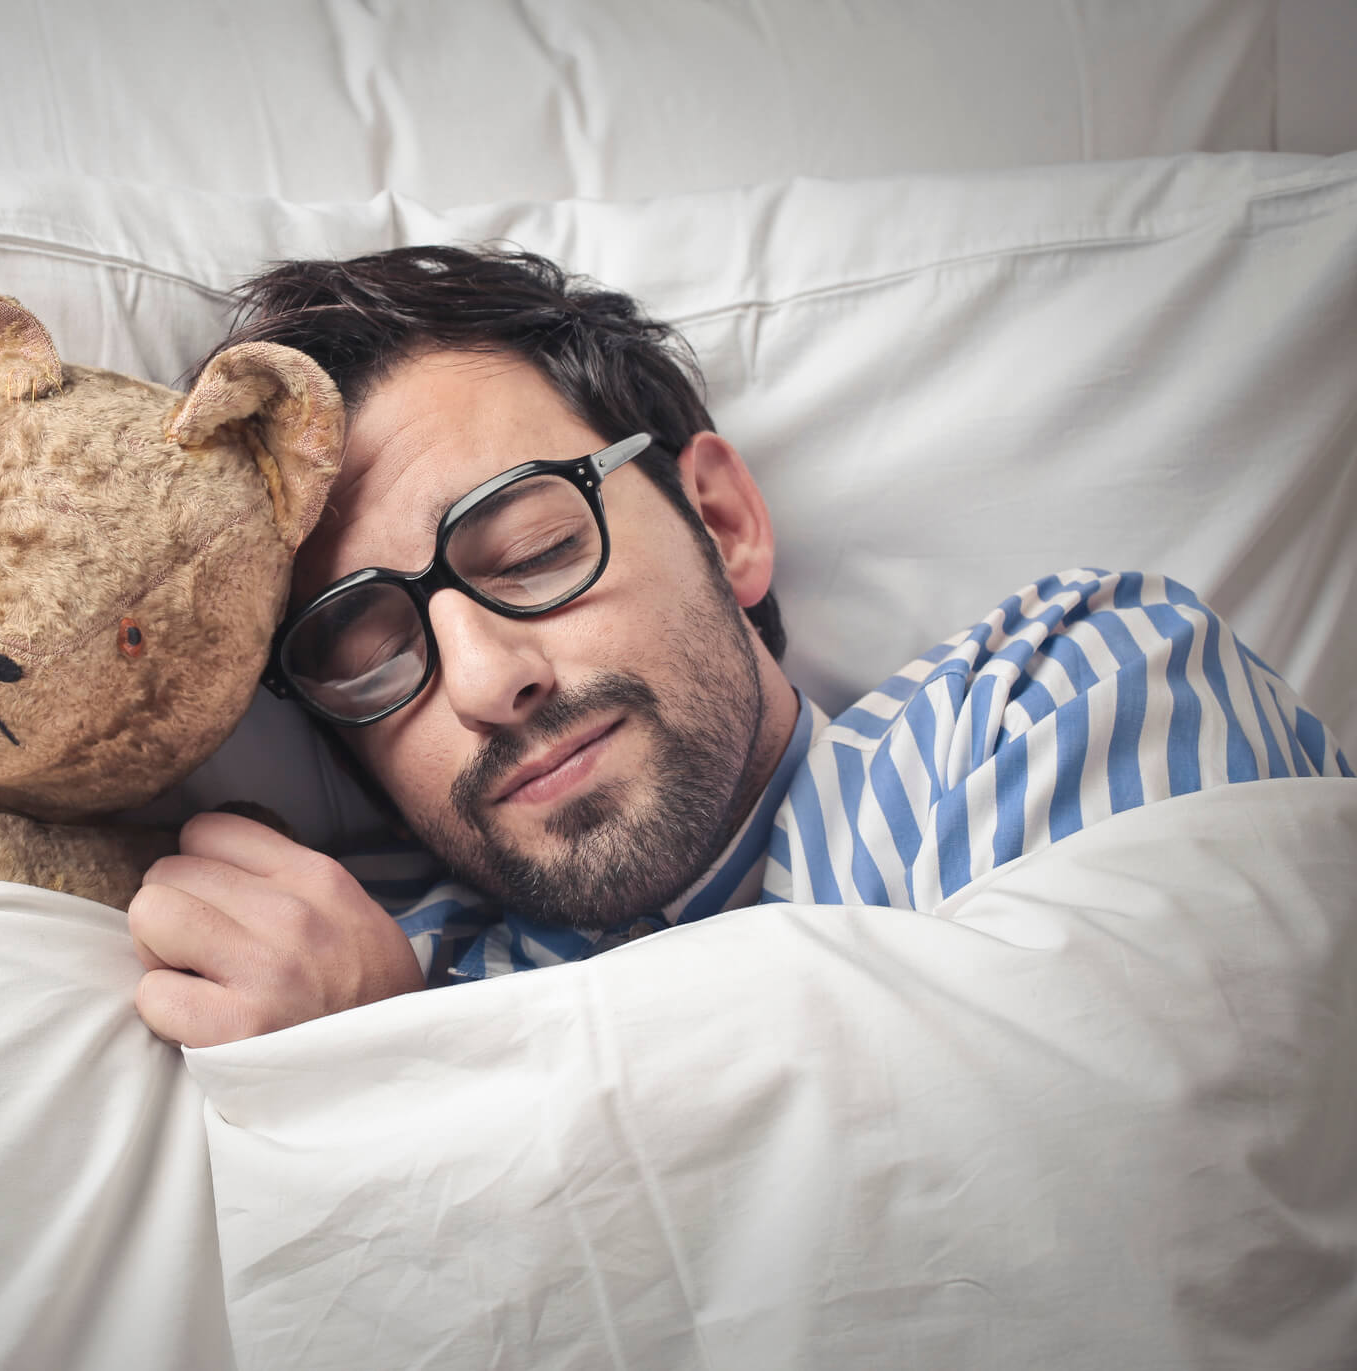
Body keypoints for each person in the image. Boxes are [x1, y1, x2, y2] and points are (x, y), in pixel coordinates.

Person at [126, 245, 1353, 1049]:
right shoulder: (322, 953)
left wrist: (402, 1072)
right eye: (365, 649)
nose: (491, 682)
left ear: (722, 522)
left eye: (533, 549)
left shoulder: (1066, 689)